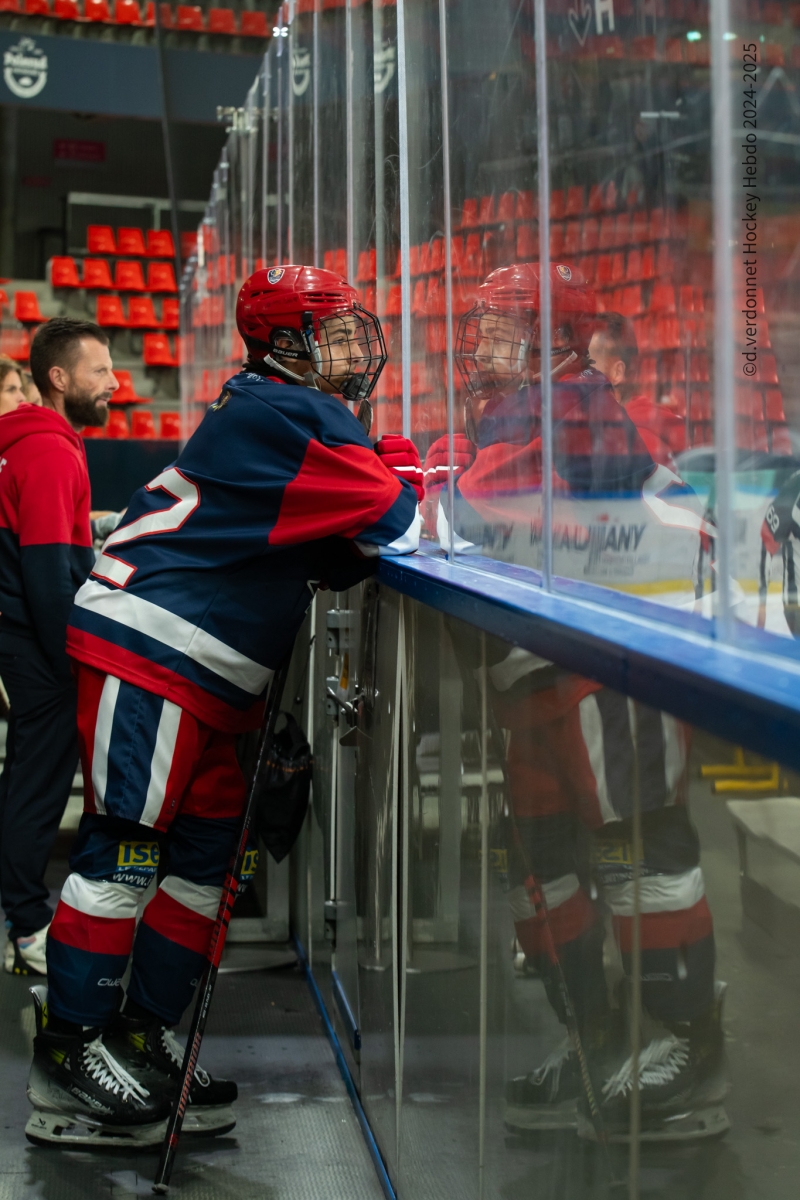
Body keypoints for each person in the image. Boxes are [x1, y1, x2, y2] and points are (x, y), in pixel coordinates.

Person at [26, 264, 424, 1148]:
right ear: (286, 344)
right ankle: (68, 1054)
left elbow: (337, 544)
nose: (353, 352)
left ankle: (139, 1035)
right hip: (156, 643)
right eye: (334, 333)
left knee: (207, 863)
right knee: (127, 849)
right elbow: (393, 516)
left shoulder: (275, 407)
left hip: (199, 660)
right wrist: (402, 466)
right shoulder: (290, 413)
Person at [426, 262, 726, 1142]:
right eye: (480, 331)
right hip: (546, 675)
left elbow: (478, 509)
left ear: (556, 340)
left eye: (500, 332)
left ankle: (684, 1043)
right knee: (545, 865)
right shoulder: (522, 412)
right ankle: (597, 1037)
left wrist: (436, 480)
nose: (482, 351)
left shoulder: (575, 405)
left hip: (611, 668)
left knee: (641, 850)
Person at [0, 320, 116, 977]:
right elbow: (47, 577)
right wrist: (71, 660)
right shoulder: (49, 451)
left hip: (21, 636)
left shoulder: (31, 444)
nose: (114, 383)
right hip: (38, 644)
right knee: (38, 789)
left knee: (25, 781)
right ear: (60, 379)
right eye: (100, 372)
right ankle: (25, 926)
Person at [588, 311, 685, 469]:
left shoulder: (634, 441)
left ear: (617, 373)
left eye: (587, 366)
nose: (577, 377)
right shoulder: (617, 430)